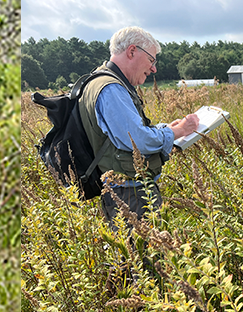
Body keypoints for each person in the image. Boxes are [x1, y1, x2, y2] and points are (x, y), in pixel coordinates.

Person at [77, 26, 199, 228]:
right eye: (151, 60)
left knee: (137, 256)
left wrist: (165, 128)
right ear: (132, 51)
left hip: (124, 191)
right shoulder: (111, 89)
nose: (154, 69)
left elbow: (120, 134)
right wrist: (179, 131)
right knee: (146, 256)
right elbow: (137, 141)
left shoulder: (100, 80)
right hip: (131, 194)